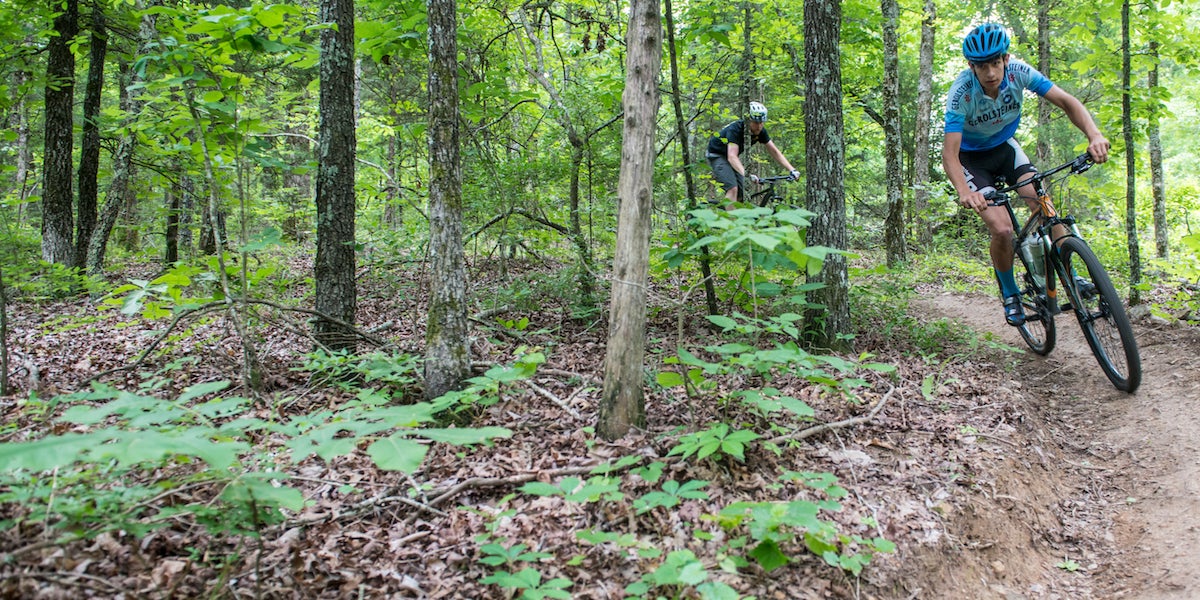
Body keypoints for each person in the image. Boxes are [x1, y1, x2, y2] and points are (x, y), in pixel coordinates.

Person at [942, 22, 1110, 326]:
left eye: (995, 63)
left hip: (1006, 148)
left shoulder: (1019, 73)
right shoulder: (961, 94)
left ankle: (1071, 275)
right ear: (971, 67)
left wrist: (1094, 134)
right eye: (982, 66)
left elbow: (1066, 101)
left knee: (1044, 205)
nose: (990, 73)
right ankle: (1010, 293)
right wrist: (965, 192)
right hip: (972, 160)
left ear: (1006, 59)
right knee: (1002, 229)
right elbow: (950, 154)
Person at [706, 101, 801, 206]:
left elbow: (774, 151)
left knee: (742, 192)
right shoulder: (735, 129)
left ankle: (736, 212)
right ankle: (729, 217)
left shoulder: (761, 131)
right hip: (717, 155)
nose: (759, 126)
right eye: (756, 122)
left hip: (730, 157)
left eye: (761, 122)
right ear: (748, 120)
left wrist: (792, 169)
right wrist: (747, 175)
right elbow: (732, 156)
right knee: (733, 188)